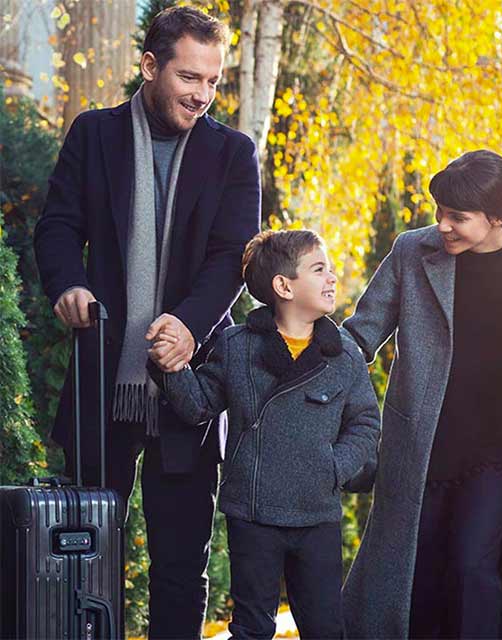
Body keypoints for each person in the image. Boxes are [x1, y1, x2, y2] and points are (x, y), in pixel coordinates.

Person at [34, 6, 261, 638]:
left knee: (180, 565)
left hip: (188, 386)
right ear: (150, 65)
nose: (202, 94)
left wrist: (188, 327)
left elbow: (231, 259)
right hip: (102, 374)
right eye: (190, 77)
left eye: (213, 82)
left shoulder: (233, 154)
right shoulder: (93, 135)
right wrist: (68, 284)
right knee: (81, 553)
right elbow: (57, 227)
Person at [341, 150, 502, 639]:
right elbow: (361, 334)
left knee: (473, 570)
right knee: (416, 577)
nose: (443, 225)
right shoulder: (411, 251)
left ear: (496, 217)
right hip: (420, 450)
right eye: (440, 212)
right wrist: (300, 344)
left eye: (458, 218)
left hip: (496, 458)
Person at [148, 229, 380, 640]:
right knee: (252, 627)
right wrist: (173, 370)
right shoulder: (237, 345)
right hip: (253, 514)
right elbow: (198, 406)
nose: (332, 278)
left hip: (316, 514)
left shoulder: (343, 354)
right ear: (283, 286)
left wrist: (333, 466)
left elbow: (364, 423)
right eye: (319, 269)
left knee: (326, 627)